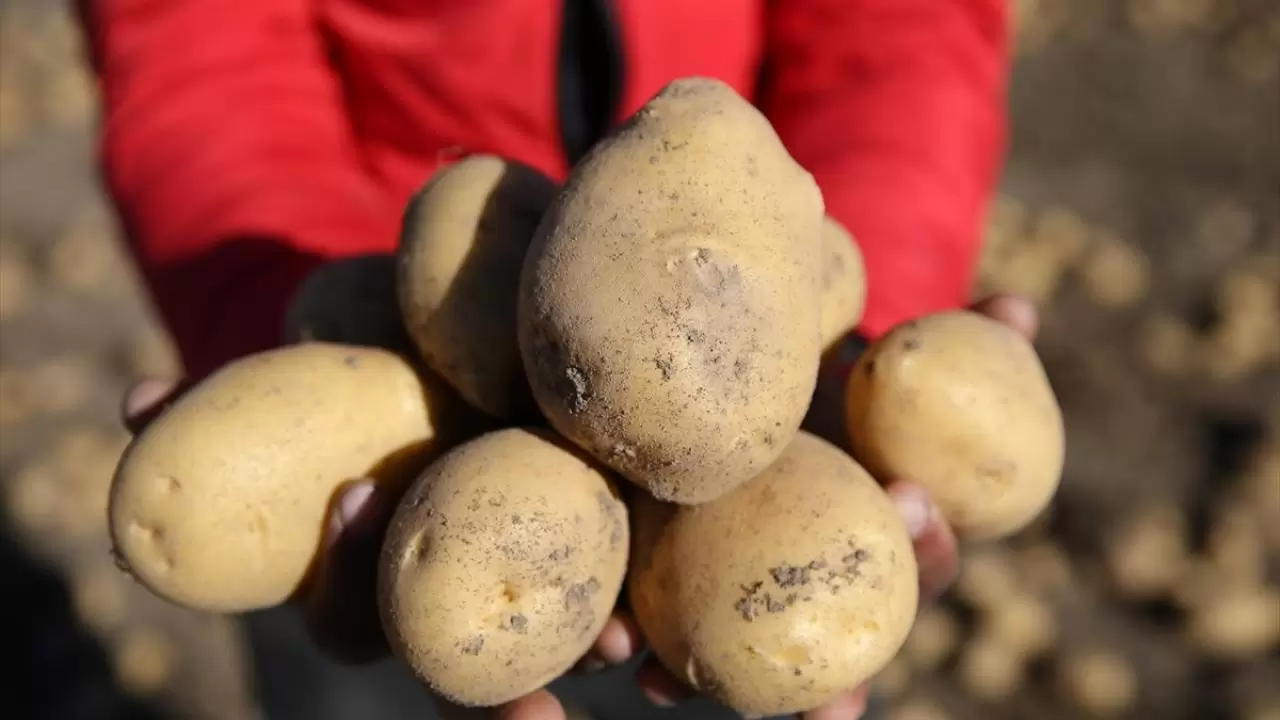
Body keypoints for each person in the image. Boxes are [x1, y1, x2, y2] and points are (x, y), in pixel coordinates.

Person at [76, 1, 1034, 719]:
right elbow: (197, 46)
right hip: (385, 283)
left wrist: (859, 358)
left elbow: (902, 37)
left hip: (745, 344)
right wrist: (272, 312)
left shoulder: (728, 207)